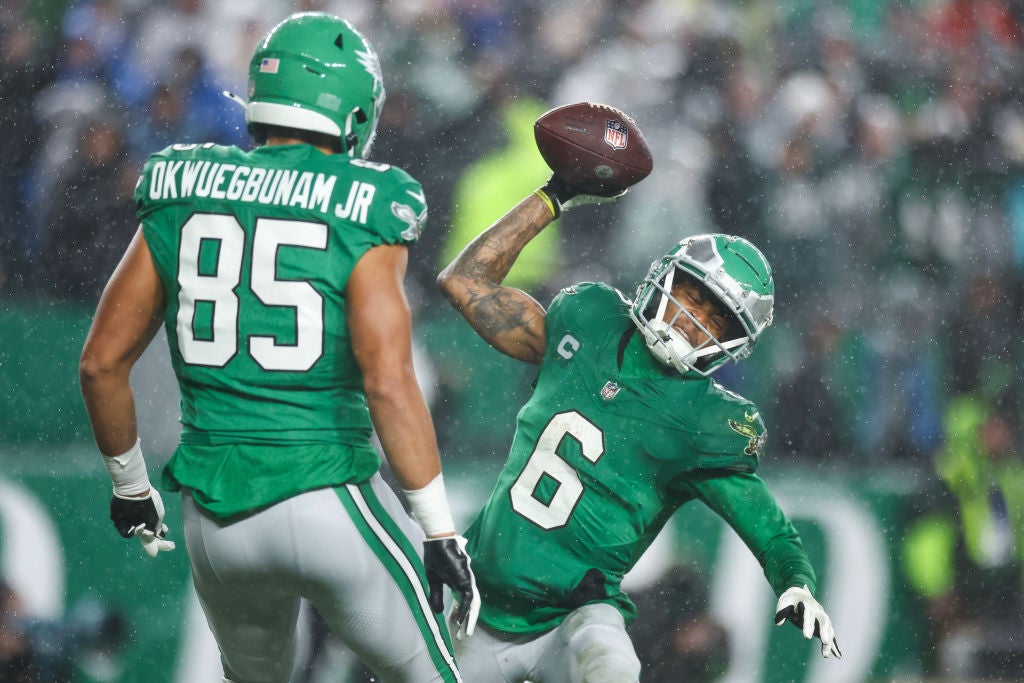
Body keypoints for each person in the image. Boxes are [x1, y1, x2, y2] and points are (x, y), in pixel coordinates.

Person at [78, 12, 478, 683]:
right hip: (323, 488)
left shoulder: (187, 185)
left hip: (213, 517)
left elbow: (101, 362)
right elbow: (387, 379)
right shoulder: (366, 199)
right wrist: (438, 527)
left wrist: (130, 487)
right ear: (352, 110)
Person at [436, 170, 841, 682]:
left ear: (732, 341)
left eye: (715, 319)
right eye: (693, 296)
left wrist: (796, 582)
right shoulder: (589, 320)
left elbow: (767, 526)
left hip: (575, 615)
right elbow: (465, 280)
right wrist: (553, 196)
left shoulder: (706, 422)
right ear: (664, 277)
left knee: (613, 667)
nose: (693, 320)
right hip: (476, 603)